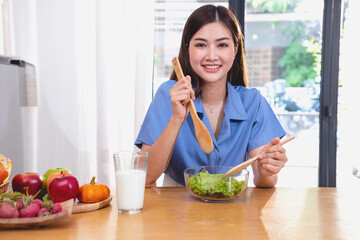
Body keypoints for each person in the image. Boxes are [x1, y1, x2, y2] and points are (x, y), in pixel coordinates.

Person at [135, 4, 287, 188]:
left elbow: (263, 181)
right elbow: (144, 179)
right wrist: (176, 119)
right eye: (200, 45)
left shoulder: (253, 102)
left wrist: (267, 170)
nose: (212, 56)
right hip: (176, 206)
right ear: (187, 48)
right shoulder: (169, 95)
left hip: (232, 203)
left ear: (235, 49)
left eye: (222, 45)